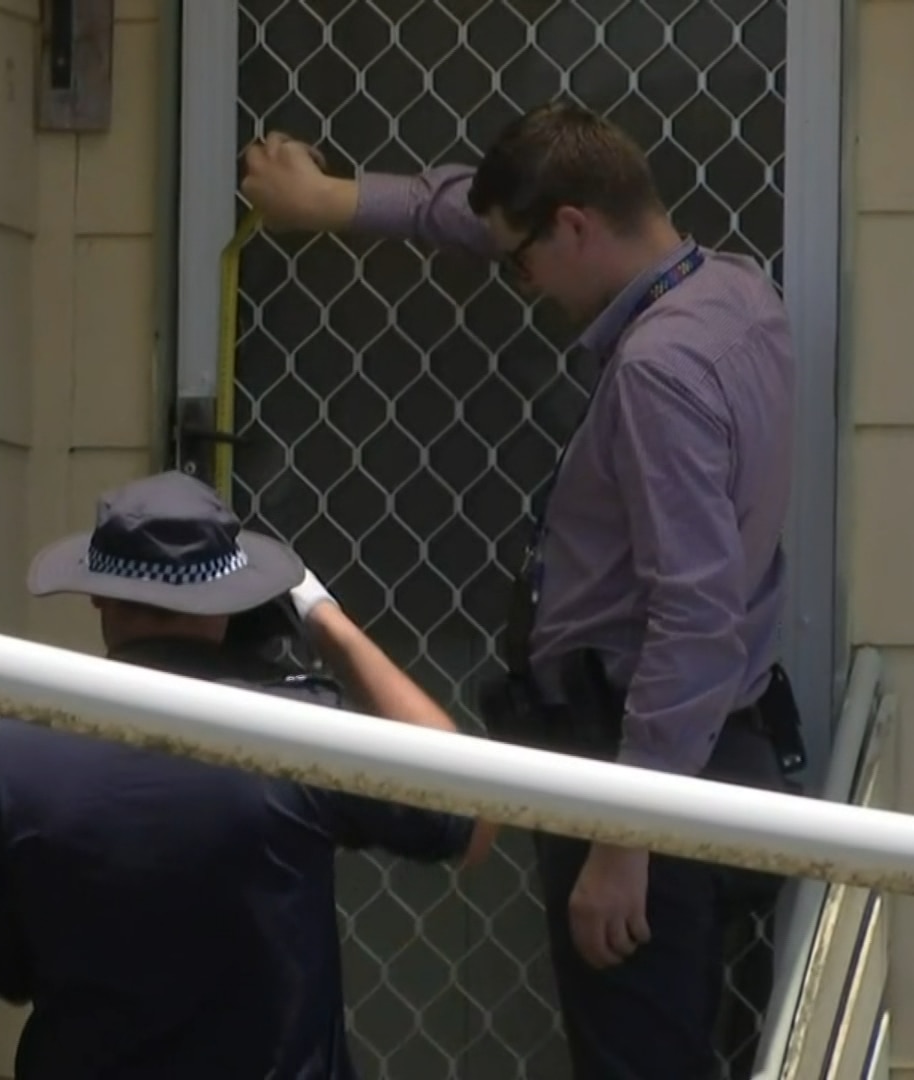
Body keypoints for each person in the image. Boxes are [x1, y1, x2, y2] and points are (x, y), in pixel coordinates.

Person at [239, 103, 804, 1079]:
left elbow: (694, 612)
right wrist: (333, 201)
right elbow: (490, 210)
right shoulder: (735, 295)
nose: (521, 281)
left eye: (523, 259)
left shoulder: (659, 373)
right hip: (707, 747)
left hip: (637, 759)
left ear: (576, 226)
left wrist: (628, 840)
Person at [0, 470, 498, 1080]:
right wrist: (328, 624)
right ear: (231, 601)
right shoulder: (297, 737)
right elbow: (470, 815)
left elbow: (0, 968)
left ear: (98, 595)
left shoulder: (11, 755)